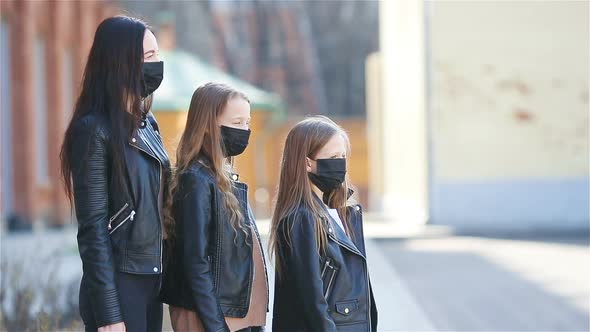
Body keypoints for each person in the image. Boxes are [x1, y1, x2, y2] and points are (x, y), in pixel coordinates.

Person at [60, 16, 169, 332]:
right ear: (120, 63)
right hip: (121, 284)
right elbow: (93, 230)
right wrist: (109, 313)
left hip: (152, 277)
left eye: (157, 54)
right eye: (148, 57)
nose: (157, 64)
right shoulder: (94, 130)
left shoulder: (149, 124)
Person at [160, 82, 268, 332]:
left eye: (247, 123)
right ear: (209, 125)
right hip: (210, 317)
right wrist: (217, 327)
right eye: (237, 122)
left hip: (237, 316)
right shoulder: (196, 180)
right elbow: (194, 262)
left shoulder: (226, 178)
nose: (245, 130)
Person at [269, 116, 378, 332]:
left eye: (343, 156)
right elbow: (312, 300)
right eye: (333, 157)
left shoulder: (340, 212)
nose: (341, 164)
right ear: (308, 163)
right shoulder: (301, 217)